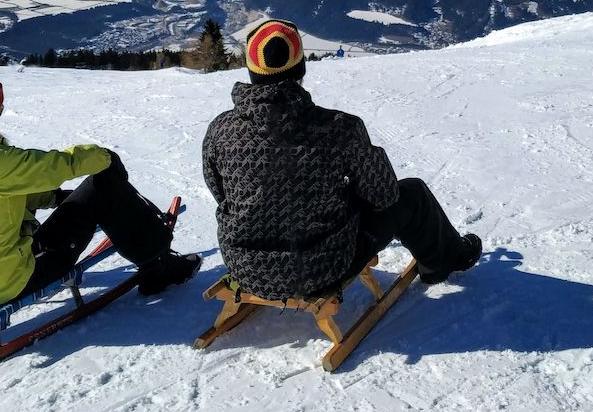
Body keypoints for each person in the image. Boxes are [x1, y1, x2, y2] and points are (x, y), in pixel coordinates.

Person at [202, 18, 480, 300]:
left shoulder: (221, 130)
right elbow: (385, 195)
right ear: (300, 68)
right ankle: (443, 262)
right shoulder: (339, 128)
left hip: (246, 269)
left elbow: (221, 192)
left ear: (252, 72)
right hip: (321, 269)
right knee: (413, 194)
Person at [0, 54, 199, 307]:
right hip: (11, 281)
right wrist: (105, 157)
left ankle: (137, 235)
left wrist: (55, 198)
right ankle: (158, 265)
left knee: (93, 192)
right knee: (103, 182)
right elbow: (59, 164)